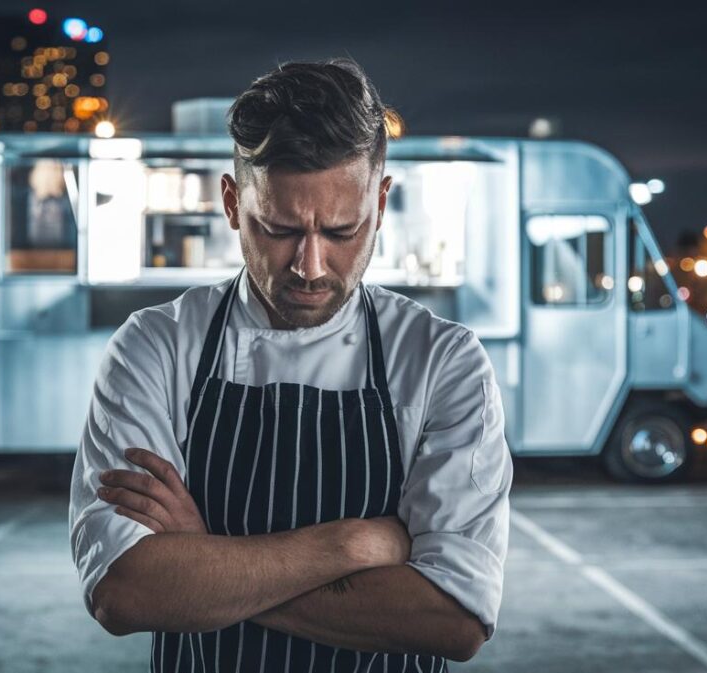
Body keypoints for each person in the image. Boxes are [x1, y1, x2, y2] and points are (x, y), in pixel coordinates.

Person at [69, 57, 513, 673]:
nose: (309, 265)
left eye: (341, 230)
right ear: (232, 202)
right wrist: (353, 544)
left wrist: (203, 562)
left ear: (380, 203)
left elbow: (452, 620)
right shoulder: (157, 347)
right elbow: (127, 591)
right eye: (278, 229)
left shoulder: (442, 362)